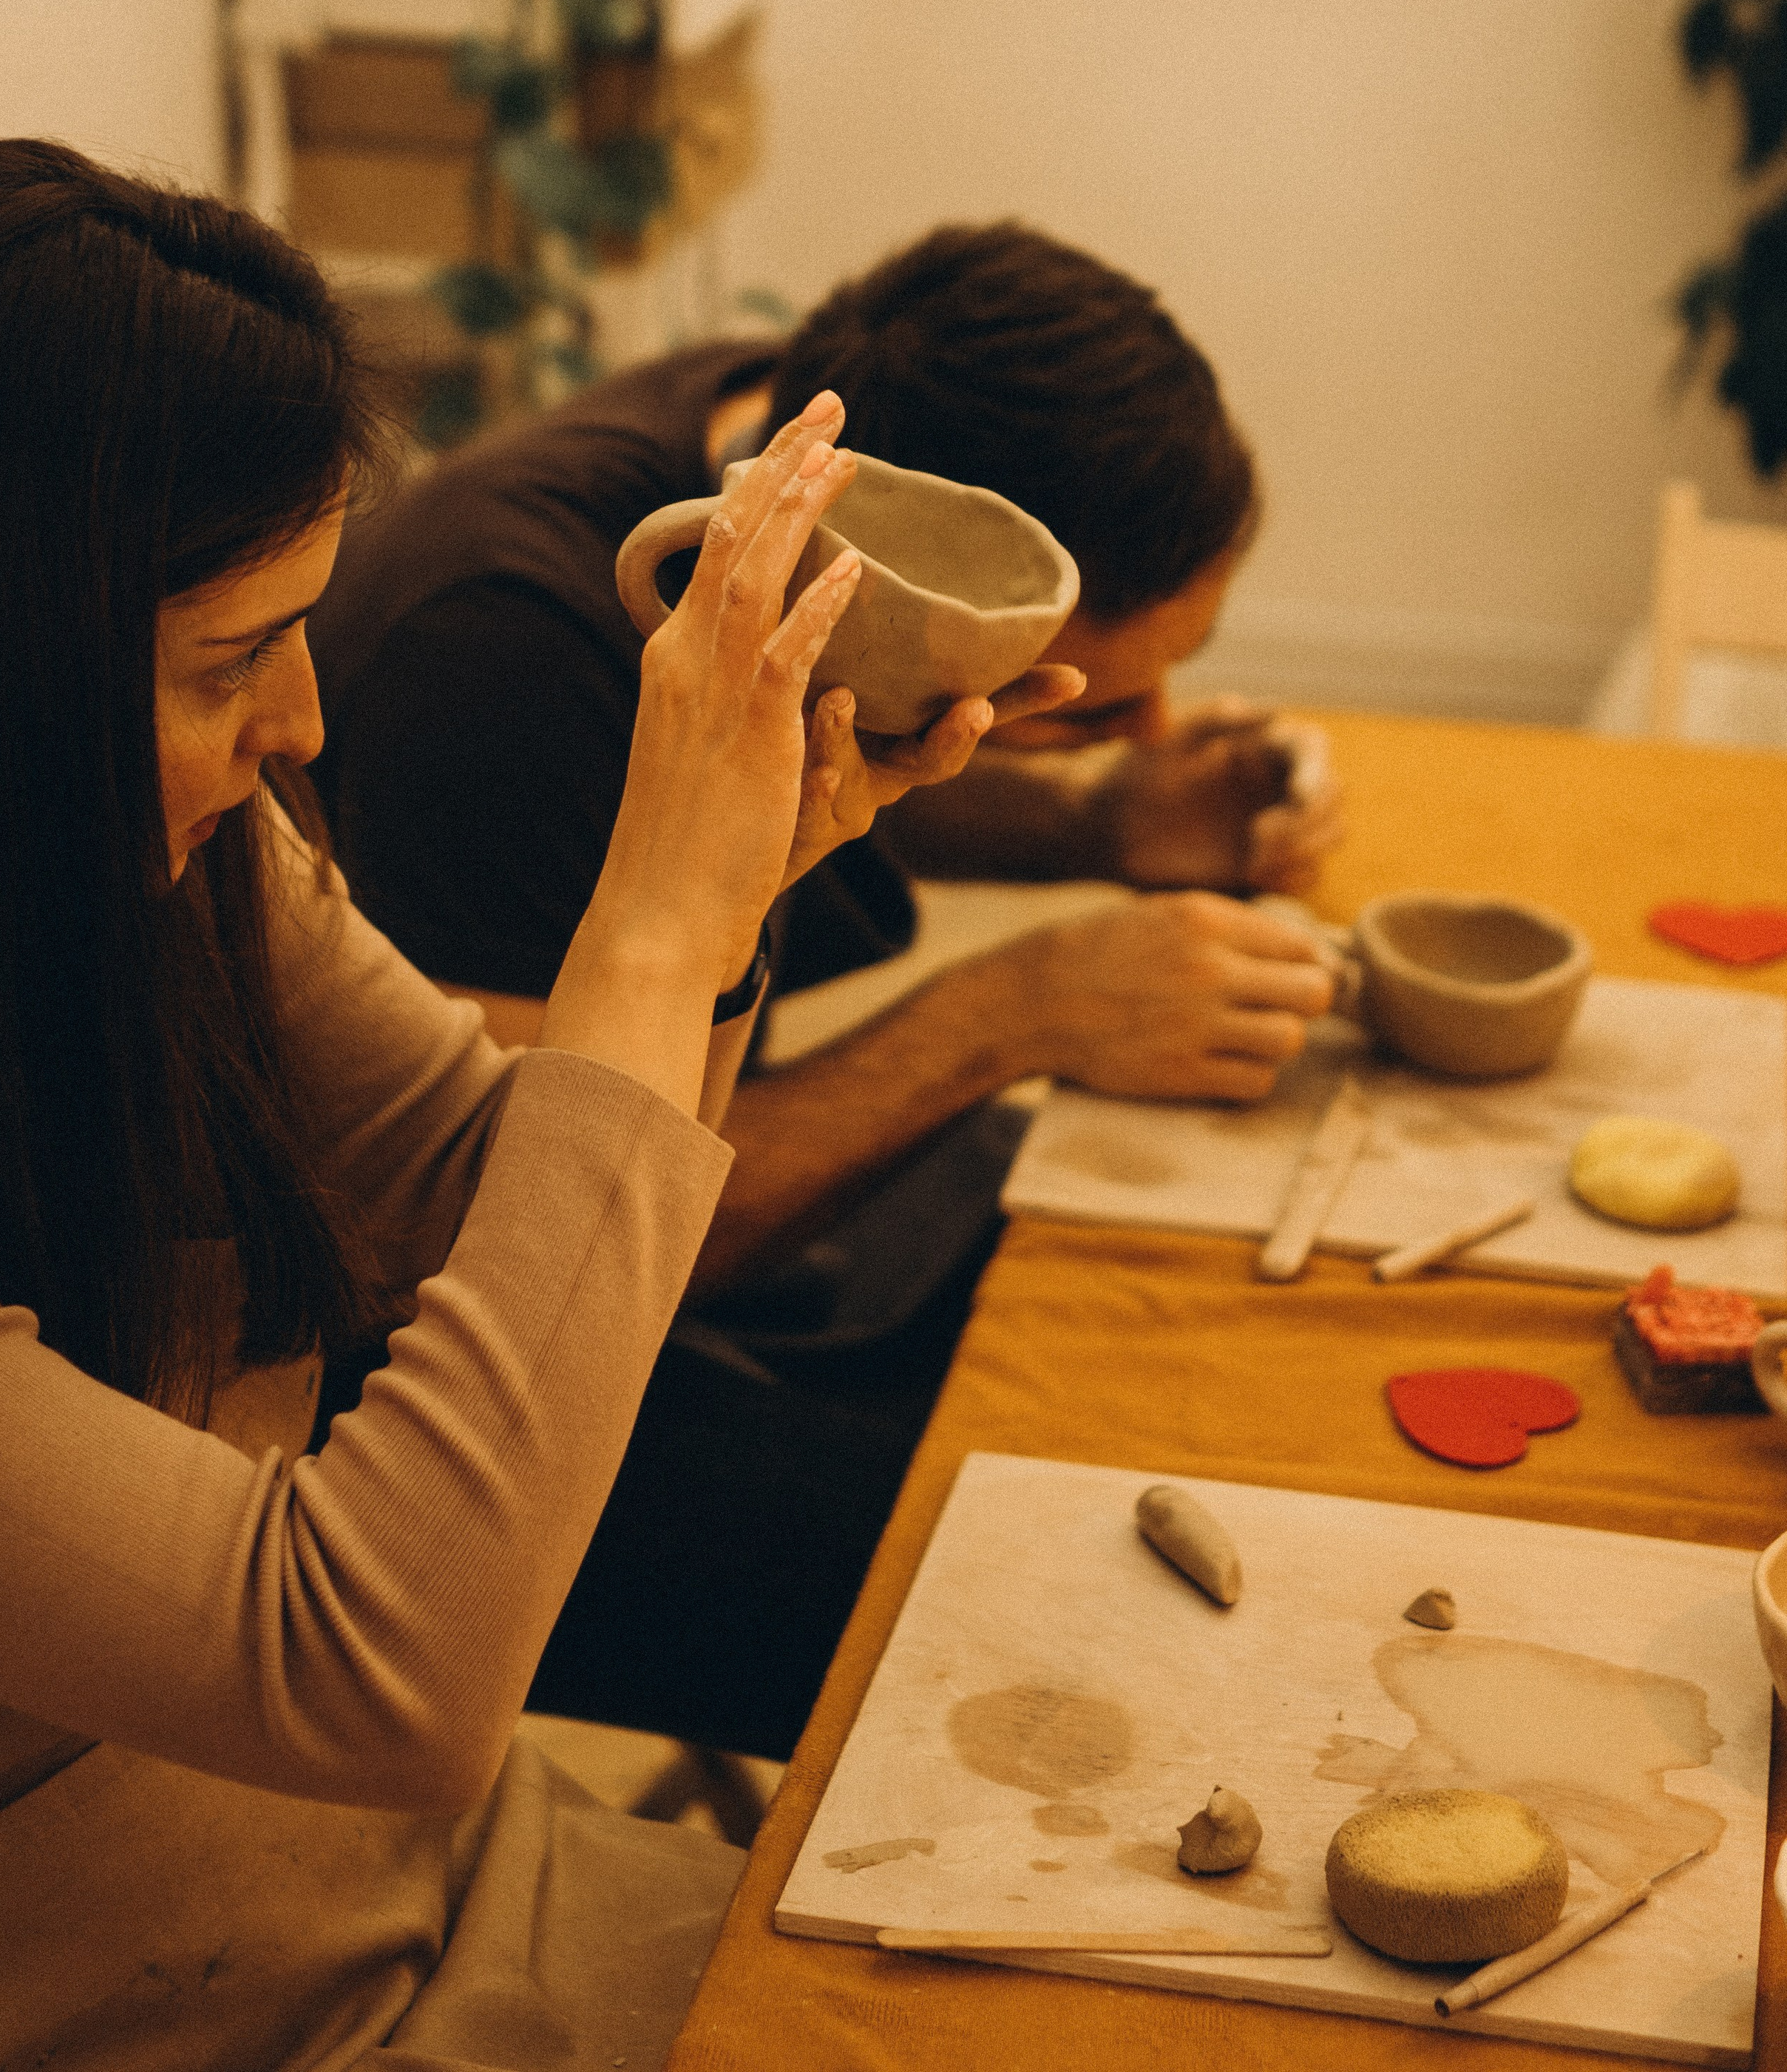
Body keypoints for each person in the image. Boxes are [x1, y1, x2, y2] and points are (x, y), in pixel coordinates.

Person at [0, 140, 1016, 2072]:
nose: (302, 726)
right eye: (228, 661)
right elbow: (372, 1665)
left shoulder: (183, 865)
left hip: (426, 1883)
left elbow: (496, 1204)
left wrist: (723, 903)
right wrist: (650, 920)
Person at [309, 223, 1344, 1757]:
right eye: (1099, 706)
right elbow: (576, 1233)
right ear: (919, 589)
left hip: (644, 1218)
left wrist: (1103, 821)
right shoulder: (502, 655)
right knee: (1050, 1599)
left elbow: (849, 738)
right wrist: (1018, 1011)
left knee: (1176, 1342)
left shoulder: (774, 428)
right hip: (441, 1385)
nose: (1151, 730)